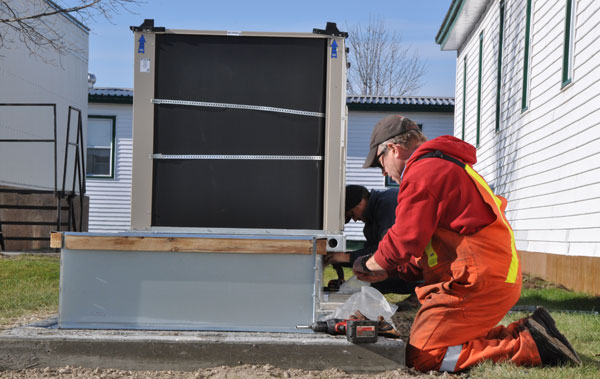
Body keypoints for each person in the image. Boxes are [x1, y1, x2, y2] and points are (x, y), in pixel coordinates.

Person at [352, 115, 581, 372]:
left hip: (474, 282)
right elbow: (427, 250)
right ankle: (532, 333)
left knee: (424, 357)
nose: (382, 171)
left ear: (393, 149)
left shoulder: (424, 171)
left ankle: (528, 345)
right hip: (484, 276)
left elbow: (405, 238)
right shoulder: (440, 166)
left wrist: (371, 263)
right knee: (430, 341)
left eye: (379, 162)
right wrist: (392, 269)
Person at [325, 185, 419, 294]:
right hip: (412, 260)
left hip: (424, 260)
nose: (355, 220)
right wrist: (342, 259)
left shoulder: (387, 204)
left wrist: (346, 257)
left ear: (359, 203)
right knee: (367, 278)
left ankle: (419, 292)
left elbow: (390, 249)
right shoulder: (371, 223)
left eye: (352, 214)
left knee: (374, 281)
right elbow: (370, 255)